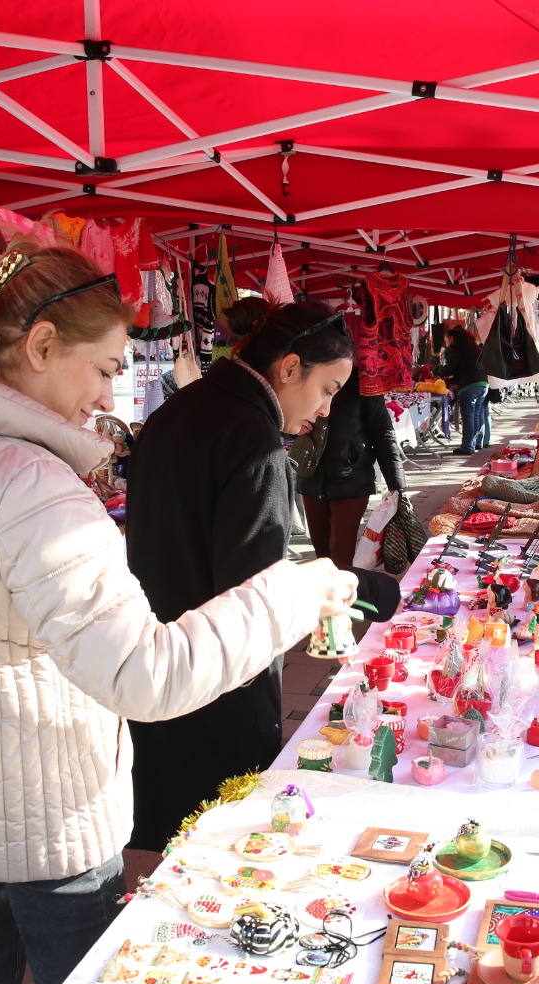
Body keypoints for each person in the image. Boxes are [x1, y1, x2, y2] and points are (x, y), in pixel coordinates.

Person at [0, 243, 358, 984]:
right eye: (106, 369)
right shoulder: (30, 487)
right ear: (41, 347)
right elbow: (144, 675)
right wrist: (295, 591)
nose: (110, 394)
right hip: (43, 804)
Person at [124, 299, 373, 854]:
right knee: (224, 849)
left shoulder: (180, 410)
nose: (327, 411)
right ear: (289, 368)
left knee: (165, 838)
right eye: (328, 390)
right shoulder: (255, 441)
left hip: (158, 659)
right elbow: (256, 593)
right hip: (219, 679)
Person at [298, 363, 407, 567]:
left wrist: (396, 484)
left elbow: (382, 431)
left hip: (351, 477)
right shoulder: (306, 372)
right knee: (321, 552)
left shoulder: (364, 381)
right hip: (311, 474)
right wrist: (295, 426)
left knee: (342, 551)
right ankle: (326, 597)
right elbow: (287, 415)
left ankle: (347, 597)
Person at [440, 325, 489, 455]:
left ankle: (467, 447)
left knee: (468, 416)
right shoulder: (472, 345)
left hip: (470, 384)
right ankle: (473, 443)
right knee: (476, 415)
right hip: (483, 382)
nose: (446, 343)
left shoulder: (456, 347)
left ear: (451, 337)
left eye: (446, 340)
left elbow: (448, 369)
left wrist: (436, 370)